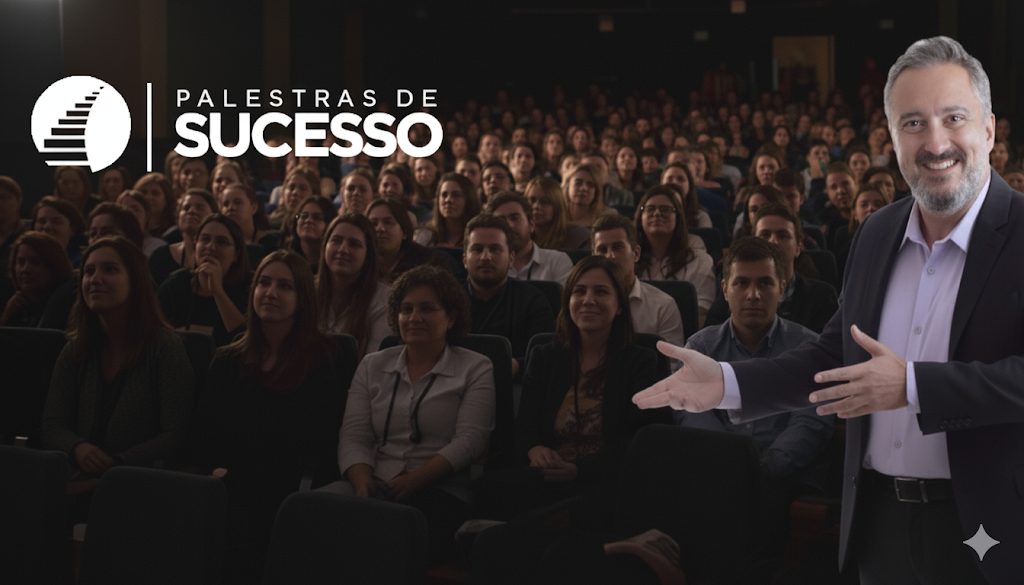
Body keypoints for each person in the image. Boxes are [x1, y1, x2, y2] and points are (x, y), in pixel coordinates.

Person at [633, 37, 1020, 584]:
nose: (935, 143)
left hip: (992, 529)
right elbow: (831, 356)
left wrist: (912, 386)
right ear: (892, 138)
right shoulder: (878, 232)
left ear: (988, 130)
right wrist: (727, 382)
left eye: (953, 118)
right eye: (912, 123)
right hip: (878, 522)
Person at [472, 256, 671, 584]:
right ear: (568, 302)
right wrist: (535, 448)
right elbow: (525, 425)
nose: (588, 300)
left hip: (604, 482)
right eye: (579, 291)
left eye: (601, 292)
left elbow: (642, 441)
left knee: (524, 550)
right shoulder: (547, 355)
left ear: (619, 306)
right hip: (548, 478)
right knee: (492, 494)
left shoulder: (641, 361)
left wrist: (580, 470)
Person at [675, 236, 834, 578]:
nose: (753, 294)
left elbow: (812, 420)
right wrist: (733, 463)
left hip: (782, 476)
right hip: (717, 473)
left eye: (764, 283)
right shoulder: (700, 348)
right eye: (741, 283)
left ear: (783, 286)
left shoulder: (809, 347)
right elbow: (691, 413)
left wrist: (764, 467)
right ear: (724, 289)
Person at [194, 250, 352, 585]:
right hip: (231, 484)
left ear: (303, 298)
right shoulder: (227, 360)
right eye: (264, 283)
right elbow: (206, 432)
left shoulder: (325, 359)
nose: (271, 293)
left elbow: (321, 440)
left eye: (285, 286)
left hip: (291, 488)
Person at [327, 265, 495, 561]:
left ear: (451, 317)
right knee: (305, 509)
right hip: (372, 482)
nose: (414, 318)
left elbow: (470, 441)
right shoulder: (371, 365)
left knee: (384, 533)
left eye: (427, 309)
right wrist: (362, 481)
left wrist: (415, 479)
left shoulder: (476, 367)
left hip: (439, 489)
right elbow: (354, 434)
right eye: (406, 309)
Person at [40, 237, 195, 480]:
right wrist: (77, 447)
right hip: (77, 475)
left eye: (110, 270)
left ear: (135, 281)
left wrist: (117, 464)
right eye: (89, 271)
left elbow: (176, 433)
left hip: (141, 481)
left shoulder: (164, 346)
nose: (95, 279)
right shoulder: (76, 347)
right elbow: (52, 424)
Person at [463, 213, 555, 378]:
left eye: (495, 249)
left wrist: (517, 365)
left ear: (511, 258)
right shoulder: (446, 301)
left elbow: (547, 355)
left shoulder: (533, 300)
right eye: (477, 249)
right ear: (464, 259)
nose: (486, 257)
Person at [591, 214, 684, 347]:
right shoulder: (584, 304)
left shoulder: (662, 306)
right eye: (602, 250)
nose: (610, 256)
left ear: (636, 253)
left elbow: (672, 364)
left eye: (617, 247)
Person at [158, 214, 250, 346]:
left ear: (236, 254)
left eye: (221, 242)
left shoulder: (248, 287)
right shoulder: (176, 283)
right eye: (205, 239)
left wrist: (218, 292)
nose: (210, 247)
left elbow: (244, 339)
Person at [634, 186, 716, 326]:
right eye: (650, 209)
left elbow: (701, 312)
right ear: (640, 217)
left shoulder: (699, 261)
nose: (657, 213)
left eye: (665, 209)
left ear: (678, 217)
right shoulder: (629, 259)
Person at [317, 214, 390, 357]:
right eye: (336, 241)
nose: (343, 249)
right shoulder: (307, 290)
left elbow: (373, 362)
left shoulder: (384, 300)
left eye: (354, 244)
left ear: (368, 254)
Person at [366, 198, 464, 283]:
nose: (380, 229)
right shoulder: (361, 264)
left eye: (388, 222)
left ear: (404, 232)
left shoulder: (433, 263)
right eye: (373, 223)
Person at [486, 191, 573, 286]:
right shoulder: (487, 265)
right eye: (501, 220)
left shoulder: (557, 261)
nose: (509, 225)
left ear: (531, 224)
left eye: (515, 218)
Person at [0, 231, 73, 327]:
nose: (25, 269)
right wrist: (6, 317)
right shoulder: (12, 301)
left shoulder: (68, 300)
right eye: (21, 262)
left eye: (35, 262)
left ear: (54, 265)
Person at [147, 189, 217, 287]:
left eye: (200, 207)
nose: (191, 211)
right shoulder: (160, 257)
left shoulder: (218, 256)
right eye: (186, 208)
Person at [415, 173, 481, 248]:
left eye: (456, 195)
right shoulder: (425, 236)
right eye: (444, 195)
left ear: (469, 200)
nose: (448, 200)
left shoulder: (480, 235)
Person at [525, 177, 591, 250]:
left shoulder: (577, 236)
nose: (536, 206)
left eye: (545, 202)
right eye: (532, 200)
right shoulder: (520, 237)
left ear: (557, 206)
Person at [280, 195, 334, 271]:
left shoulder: (333, 263)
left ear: (329, 224)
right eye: (304, 216)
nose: (308, 221)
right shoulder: (284, 256)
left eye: (317, 217)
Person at [32, 196, 87, 265]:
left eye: (56, 222)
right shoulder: (24, 261)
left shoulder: (83, 263)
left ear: (72, 229)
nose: (47, 226)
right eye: (42, 221)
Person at [115, 190, 167, 256]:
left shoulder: (158, 247)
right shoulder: (111, 247)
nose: (131, 213)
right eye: (124, 209)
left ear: (147, 215)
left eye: (136, 209)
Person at [133, 172, 177, 238]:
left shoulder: (175, 233)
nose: (148, 197)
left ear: (167, 199)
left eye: (155, 193)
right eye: (143, 192)